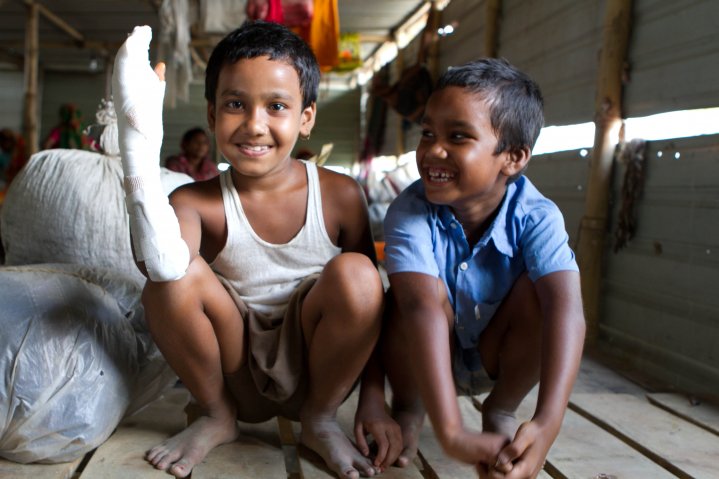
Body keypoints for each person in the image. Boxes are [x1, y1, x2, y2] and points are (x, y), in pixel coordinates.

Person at [112, 21, 398, 479]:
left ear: (306, 118)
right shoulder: (193, 201)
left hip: (319, 378)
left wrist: (373, 400)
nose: (254, 124)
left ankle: (319, 423)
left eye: (277, 106)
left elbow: (376, 312)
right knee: (172, 275)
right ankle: (215, 416)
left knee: (361, 275)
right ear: (211, 115)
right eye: (234, 105)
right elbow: (159, 265)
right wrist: (138, 155)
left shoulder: (341, 196)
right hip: (231, 376)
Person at [381, 58, 586, 478]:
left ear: (512, 157)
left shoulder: (537, 216)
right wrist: (451, 432)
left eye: (457, 136)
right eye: (427, 133)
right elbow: (420, 309)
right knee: (408, 296)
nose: (433, 150)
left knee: (544, 295)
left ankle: (502, 408)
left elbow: (569, 311)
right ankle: (409, 406)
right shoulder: (409, 210)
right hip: (424, 357)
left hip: (496, 353)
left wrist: (548, 423)